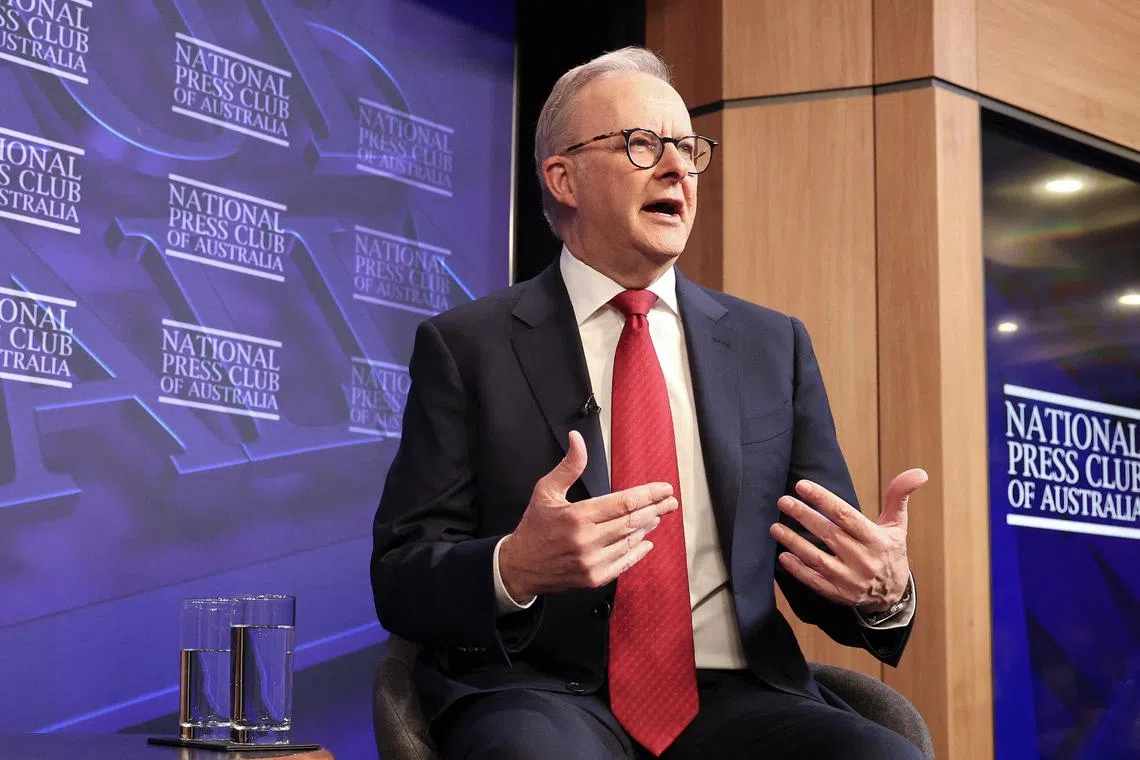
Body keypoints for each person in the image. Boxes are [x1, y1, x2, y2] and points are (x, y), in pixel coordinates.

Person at [371, 46, 927, 760]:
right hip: (539, 691)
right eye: (641, 145)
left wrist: (882, 590)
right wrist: (515, 565)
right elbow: (402, 574)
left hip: (736, 698)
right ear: (562, 177)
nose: (677, 170)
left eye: (689, 150)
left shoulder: (770, 347)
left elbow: (822, 562)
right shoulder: (468, 347)